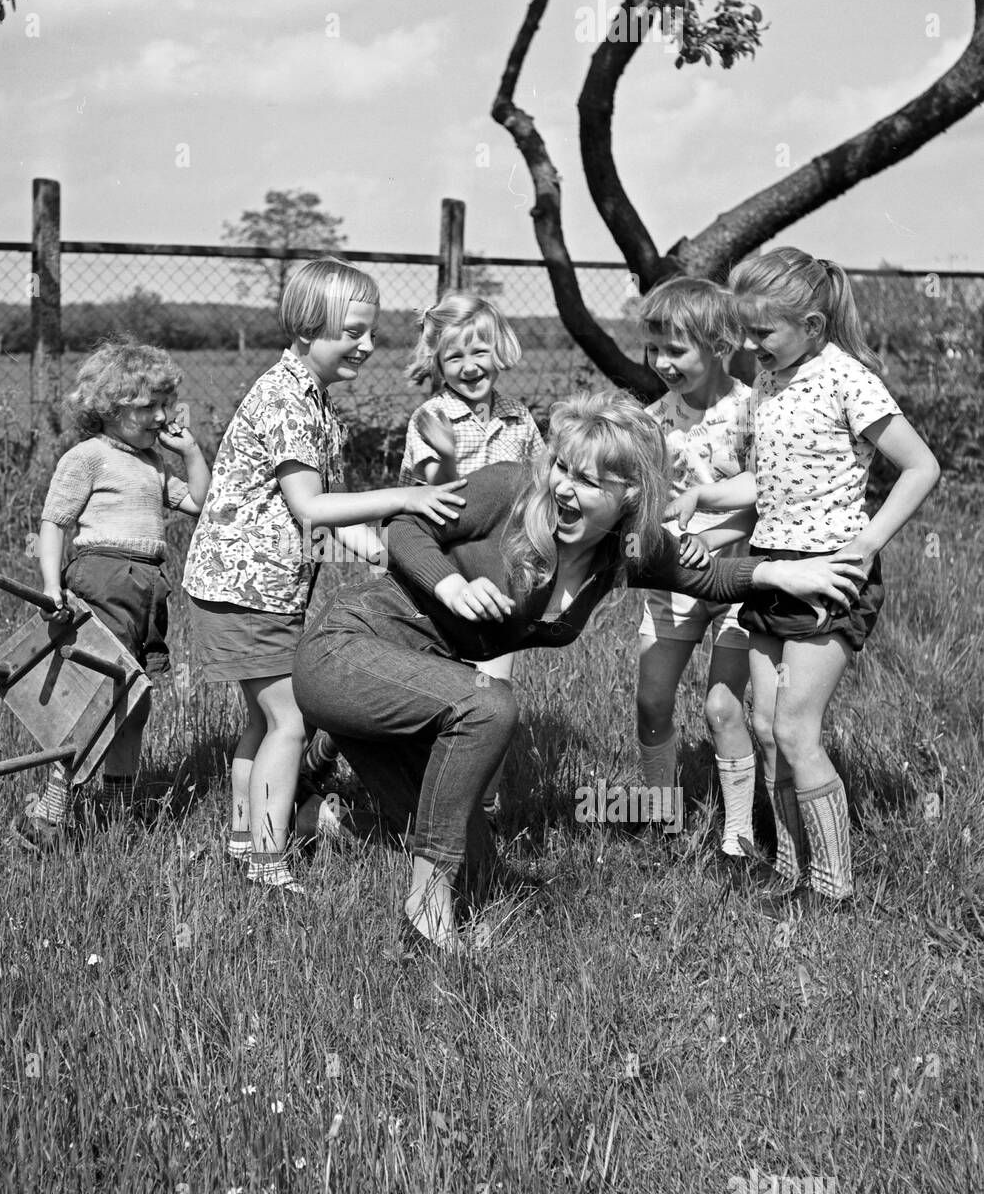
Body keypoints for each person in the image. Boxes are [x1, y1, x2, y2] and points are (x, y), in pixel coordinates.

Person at [291, 390, 866, 954]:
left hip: (415, 688)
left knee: (485, 873)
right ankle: (425, 910)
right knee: (488, 705)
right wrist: (452, 583)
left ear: (630, 494)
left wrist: (781, 576)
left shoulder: (625, 550)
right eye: (562, 467)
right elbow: (406, 527)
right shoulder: (511, 489)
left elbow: (711, 580)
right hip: (345, 651)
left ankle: (320, 816)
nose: (563, 485)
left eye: (588, 481)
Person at [182, 257, 466, 894]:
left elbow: (331, 510)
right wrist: (406, 498)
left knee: (262, 720)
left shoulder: (310, 397)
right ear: (310, 329)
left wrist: (392, 557)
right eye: (354, 333)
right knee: (291, 722)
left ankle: (242, 840)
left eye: (370, 331)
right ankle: (266, 861)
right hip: (244, 591)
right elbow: (311, 507)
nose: (368, 345)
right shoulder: (287, 399)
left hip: (251, 588)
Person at [669, 247, 940, 911]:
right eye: (747, 331)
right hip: (772, 567)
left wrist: (867, 544)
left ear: (813, 326)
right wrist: (705, 500)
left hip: (828, 577)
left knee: (795, 729)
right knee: (764, 726)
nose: (750, 346)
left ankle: (834, 886)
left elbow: (921, 467)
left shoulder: (848, 379)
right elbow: (779, 476)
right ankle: (789, 868)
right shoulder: (770, 378)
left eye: (764, 332)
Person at [303, 293, 545, 817]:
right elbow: (436, 500)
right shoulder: (431, 416)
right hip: (436, 578)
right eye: (453, 357)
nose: (469, 366)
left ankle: (483, 809)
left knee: (494, 691)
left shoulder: (520, 419)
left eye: (479, 351)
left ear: (500, 350)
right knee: (423, 688)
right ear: (436, 363)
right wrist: (448, 455)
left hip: (497, 584)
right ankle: (330, 745)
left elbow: (537, 491)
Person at [18, 341, 211, 852]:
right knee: (95, 695)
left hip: (148, 587)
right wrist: (51, 585)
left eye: (166, 404)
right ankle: (54, 806)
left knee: (136, 700)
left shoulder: (150, 464)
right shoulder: (88, 457)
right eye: (148, 406)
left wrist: (190, 451)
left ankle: (118, 809)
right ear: (110, 406)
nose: (162, 416)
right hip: (102, 577)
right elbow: (55, 520)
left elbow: (198, 501)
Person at [634, 278, 757, 853]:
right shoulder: (652, 422)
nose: (661, 362)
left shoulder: (755, 413)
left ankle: (738, 837)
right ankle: (661, 816)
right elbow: (645, 505)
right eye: (652, 349)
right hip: (673, 584)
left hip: (738, 582)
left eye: (675, 350)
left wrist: (711, 539)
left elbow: (767, 504)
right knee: (652, 701)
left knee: (721, 706)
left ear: (720, 344)